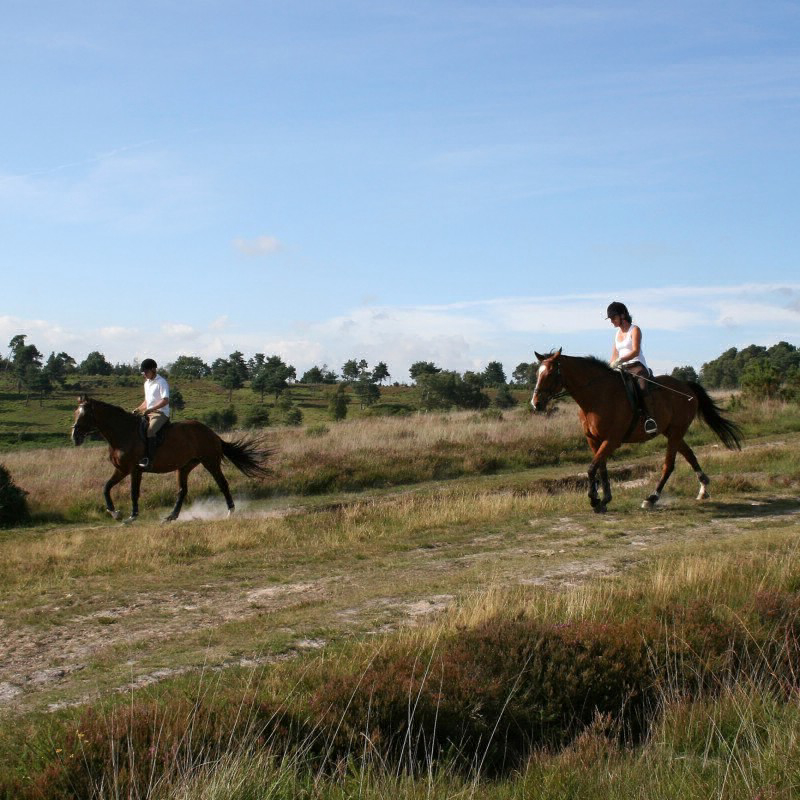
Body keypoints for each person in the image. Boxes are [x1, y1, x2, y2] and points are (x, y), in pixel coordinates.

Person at [606, 301, 658, 435]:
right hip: (622, 368)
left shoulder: (635, 330)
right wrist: (609, 366)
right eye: (610, 319)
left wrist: (620, 360)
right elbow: (614, 355)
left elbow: (635, 351)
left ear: (622, 315)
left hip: (637, 367)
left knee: (641, 387)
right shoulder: (617, 334)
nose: (611, 321)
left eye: (613, 318)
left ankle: (650, 419)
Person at [134, 358, 170, 468]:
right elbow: (146, 402)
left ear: (153, 370)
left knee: (150, 430)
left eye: (146, 372)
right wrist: (137, 409)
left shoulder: (162, 382)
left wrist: (151, 409)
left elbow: (165, 400)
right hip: (148, 413)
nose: (144, 374)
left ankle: (149, 459)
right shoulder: (146, 384)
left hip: (160, 414)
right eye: (143, 372)